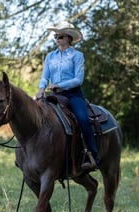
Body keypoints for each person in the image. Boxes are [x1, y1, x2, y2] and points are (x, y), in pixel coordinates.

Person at [35, 21, 99, 172]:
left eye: (61, 36)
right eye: (56, 36)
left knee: (83, 119)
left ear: (69, 38)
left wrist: (60, 85)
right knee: (36, 117)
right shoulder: (50, 57)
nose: (57, 39)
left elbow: (78, 79)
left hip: (72, 94)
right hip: (54, 94)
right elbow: (45, 76)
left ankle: (92, 156)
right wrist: (41, 89)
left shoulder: (77, 56)